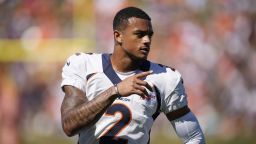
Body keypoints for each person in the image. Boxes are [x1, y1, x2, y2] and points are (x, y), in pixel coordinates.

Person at [60, 6, 205, 144]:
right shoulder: (84, 65)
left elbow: (194, 137)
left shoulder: (165, 78)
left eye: (149, 35)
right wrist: (115, 91)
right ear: (118, 36)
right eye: (140, 34)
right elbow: (69, 125)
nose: (147, 40)